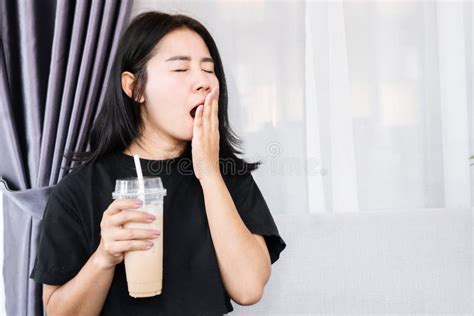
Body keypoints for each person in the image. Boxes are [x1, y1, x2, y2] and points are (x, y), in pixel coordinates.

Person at [30, 11, 286, 316]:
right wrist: (105, 256)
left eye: (209, 69)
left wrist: (209, 175)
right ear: (135, 87)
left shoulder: (228, 178)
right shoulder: (78, 191)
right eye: (180, 68)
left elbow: (249, 288)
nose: (203, 82)